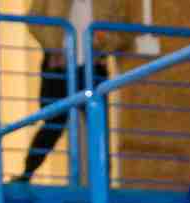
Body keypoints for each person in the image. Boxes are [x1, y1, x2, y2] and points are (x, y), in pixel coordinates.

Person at [17, 0, 137, 184]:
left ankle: (104, 183)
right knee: (53, 123)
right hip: (59, 66)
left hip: (93, 69)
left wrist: (104, 42)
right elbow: (33, 20)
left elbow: (124, 34)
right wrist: (53, 46)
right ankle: (26, 173)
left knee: (98, 127)